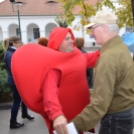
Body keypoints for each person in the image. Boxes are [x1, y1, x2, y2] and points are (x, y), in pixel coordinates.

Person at [54, 11, 134, 134]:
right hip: (124, 114)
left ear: (104, 28)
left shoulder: (109, 57)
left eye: (93, 28)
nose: (91, 33)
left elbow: (100, 103)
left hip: (115, 120)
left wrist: (73, 127)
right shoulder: (120, 49)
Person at [11, 27, 100, 134]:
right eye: (67, 39)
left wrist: (109, 49)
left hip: (77, 120)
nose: (72, 40)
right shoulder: (54, 65)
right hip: (64, 124)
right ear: (57, 42)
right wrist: (56, 115)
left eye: (71, 37)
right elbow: (49, 93)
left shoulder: (76, 55)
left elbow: (90, 58)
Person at [2, 36, 34, 130]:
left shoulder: (11, 52)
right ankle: (13, 122)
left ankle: (24, 113)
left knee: (23, 98)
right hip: (15, 81)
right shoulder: (11, 54)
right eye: (19, 42)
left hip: (16, 80)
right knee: (16, 101)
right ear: (13, 43)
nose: (20, 44)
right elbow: (14, 69)